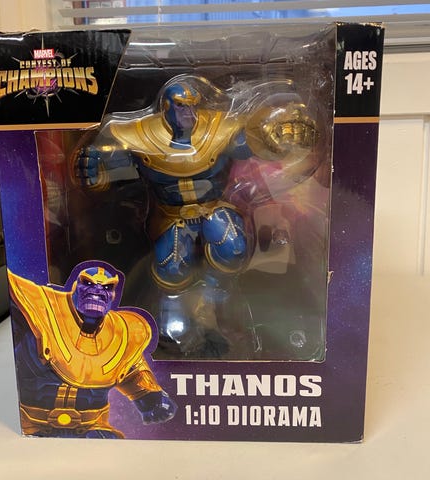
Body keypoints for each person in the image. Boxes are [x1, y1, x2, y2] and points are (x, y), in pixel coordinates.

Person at [74, 74, 318, 358]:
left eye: (192, 106)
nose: (189, 113)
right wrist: (94, 173)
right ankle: (172, 313)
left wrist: (275, 133)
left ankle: (215, 298)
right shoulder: (140, 135)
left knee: (232, 244)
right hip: (170, 214)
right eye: (181, 106)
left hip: (212, 207)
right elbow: (109, 167)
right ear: (167, 108)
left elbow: (250, 141)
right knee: (171, 263)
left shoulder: (216, 130)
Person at [8, 264, 176, 438]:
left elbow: (131, 369)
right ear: (76, 286)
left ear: (113, 294)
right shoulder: (40, 311)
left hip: (92, 427)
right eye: (88, 284)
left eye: (106, 287)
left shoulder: (123, 332)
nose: (97, 291)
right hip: (33, 424)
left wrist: (152, 399)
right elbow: (14, 290)